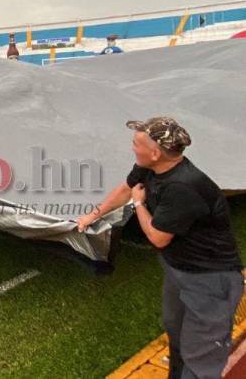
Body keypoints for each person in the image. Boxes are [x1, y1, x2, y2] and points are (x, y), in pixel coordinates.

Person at [77, 117, 243, 379]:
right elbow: (126, 188)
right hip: (179, 270)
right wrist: (92, 215)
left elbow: (157, 237)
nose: (132, 147)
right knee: (176, 335)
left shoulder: (183, 187)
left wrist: (139, 204)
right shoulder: (150, 167)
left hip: (210, 280)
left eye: (136, 144)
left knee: (201, 358)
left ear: (155, 153)